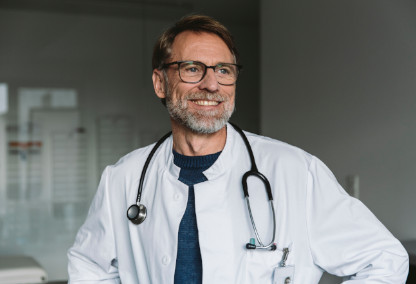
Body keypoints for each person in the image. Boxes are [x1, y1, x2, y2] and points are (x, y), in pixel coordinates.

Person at [67, 15, 409, 283]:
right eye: (192, 69)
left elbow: (383, 259)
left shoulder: (294, 171)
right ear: (160, 82)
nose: (211, 84)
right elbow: (89, 269)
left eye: (224, 70)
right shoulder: (123, 179)